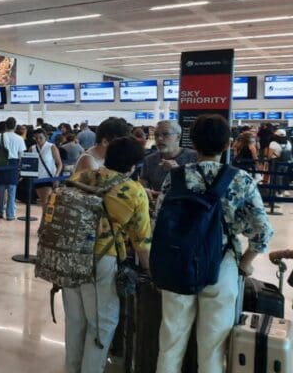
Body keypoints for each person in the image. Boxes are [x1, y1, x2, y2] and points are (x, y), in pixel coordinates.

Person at [156, 114, 274, 373]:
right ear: (225, 145)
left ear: (194, 144)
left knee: (170, 343)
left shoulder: (175, 178)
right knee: (212, 347)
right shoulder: (240, 179)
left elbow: (157, 223)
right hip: (222, 265)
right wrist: (245, 263)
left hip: (177, 265)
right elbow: (262, 231)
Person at [64, 136, 151, 373]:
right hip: (101, 258)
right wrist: (149, 270)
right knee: (102, 323)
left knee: (75, 321)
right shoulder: (134, 190)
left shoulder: (81, 177)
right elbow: (142, 242)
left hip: (67, 256)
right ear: (134, 165)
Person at [140, 121, 198, 198]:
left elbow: (199, 190)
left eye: (165, 134)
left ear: (178, 137)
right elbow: (143, 183)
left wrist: (178, 171)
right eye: (156, 135)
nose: (159, 139)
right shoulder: (149, 160)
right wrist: (145, 191)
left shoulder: (194, 157)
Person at [0, 117, 26, 221]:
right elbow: (21, 155)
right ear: (15, 126)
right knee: (12, 191)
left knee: (0, 190)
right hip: (14, 164)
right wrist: (20, 168)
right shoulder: (19, 138)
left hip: (2, 164)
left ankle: (0, 212)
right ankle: (10, 214)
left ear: (6, 125)